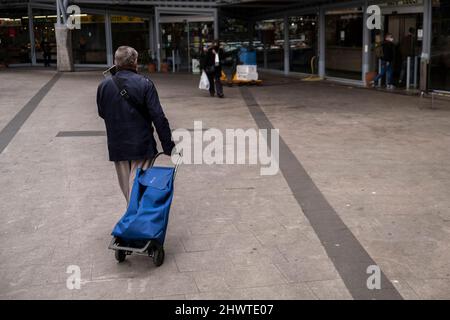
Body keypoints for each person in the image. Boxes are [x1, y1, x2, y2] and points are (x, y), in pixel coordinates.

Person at [97, 46, 175, 204]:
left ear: (116, 62)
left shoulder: (104, 85)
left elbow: (102, 113)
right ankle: (135, 221)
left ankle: (133, 218)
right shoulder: (145, 84)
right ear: (135, 62)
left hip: (117, 145)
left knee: (129, 189)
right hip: (141, 145)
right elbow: (158, 117)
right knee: (138, 187)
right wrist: (168, 146)